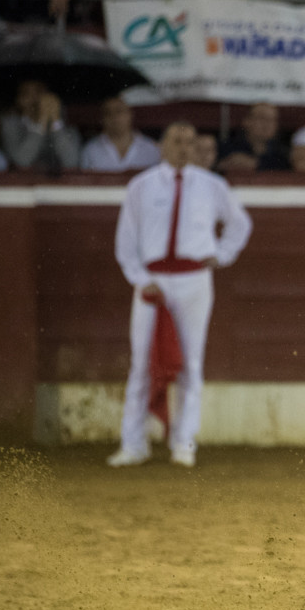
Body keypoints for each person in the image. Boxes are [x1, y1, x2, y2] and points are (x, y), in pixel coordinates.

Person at [108, 122, 252, 469]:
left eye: (190, 142)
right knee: (142, 363)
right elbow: (126, 244)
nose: (184, 148)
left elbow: (240, 224)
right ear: (162, 146)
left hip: (193, 280)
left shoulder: (211, 186)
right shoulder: (141, 186)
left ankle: (184, 444)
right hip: (153, 281)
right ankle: (133, 444)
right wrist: (141, 280)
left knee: (191, 364)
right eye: (177, 141)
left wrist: (220, 254)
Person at [0, 79, 82, 172]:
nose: (34, 98)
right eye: (26, 93)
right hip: (22, 183)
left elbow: (71, 162)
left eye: (38, 92)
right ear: (19, 100)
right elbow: (22, 162)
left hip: (59, 184)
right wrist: (41, 121)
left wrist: (55, 122)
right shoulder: (11, 124)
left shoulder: (66, 123)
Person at [81, 96, 161, 172]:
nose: (114, 117)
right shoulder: (90, 150)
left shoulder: (151, 148)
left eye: (118, 111)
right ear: (102, 118)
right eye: (108, 113)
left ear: (130, 114)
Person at [217, 102, 290, 173]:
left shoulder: (282, 152)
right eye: (262, 118)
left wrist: (256, 163)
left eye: (273, 120)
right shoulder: (227, 148)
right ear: (246, 121)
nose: (268, 124)